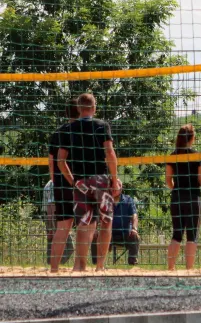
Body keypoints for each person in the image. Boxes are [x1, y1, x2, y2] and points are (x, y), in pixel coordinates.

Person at [57, 93, 120, 272]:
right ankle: (100, 266)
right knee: (106, 221)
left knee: (84, 223)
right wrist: (114, 180)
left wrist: (73, 181)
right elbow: (110, 153)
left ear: (78, 108)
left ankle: (79, 266)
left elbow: (61, 161)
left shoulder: (69, 129)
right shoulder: (102, 126)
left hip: (81, 182)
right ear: (94, 107)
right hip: (101, 180)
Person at [165, 124, 201, 270]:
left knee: (176, 234)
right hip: (193, 198)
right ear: (192, 138)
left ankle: (170, 268)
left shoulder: (172, 156)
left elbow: (168, 180)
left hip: (177, 198)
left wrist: (177, 189)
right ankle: (189, 269)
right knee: (192, 236)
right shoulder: (197, 156)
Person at [47, 98, 78, 272]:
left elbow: (51, 162)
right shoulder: (83, 130)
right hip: (79, 183)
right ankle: (78, 267)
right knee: (84, 225)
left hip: (61, 184)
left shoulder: (57, 133)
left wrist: (55, 181)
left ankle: (54, 268)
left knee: (62, 226)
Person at [91, 180, 139, 266]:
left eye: (116, 186)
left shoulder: (128, 200)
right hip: (108, 233)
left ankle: (132, 264)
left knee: (135, 236)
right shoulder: (104, 200)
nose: (114, 189)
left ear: (121, 188)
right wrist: (94, 229)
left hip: (125, 233)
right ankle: (95, 263)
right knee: (95, 236)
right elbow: (97, 216)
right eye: (112, 186)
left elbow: (134, 216)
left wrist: (134, 228)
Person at [43, 180, 74, 266]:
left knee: (54, 243)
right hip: (55, 217)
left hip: (55, 217)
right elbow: (51, 207)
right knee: (69, 247)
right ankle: (55, 264)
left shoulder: (52, 183)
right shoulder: (53, 184)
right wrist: (51, 227)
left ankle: (52, 264)